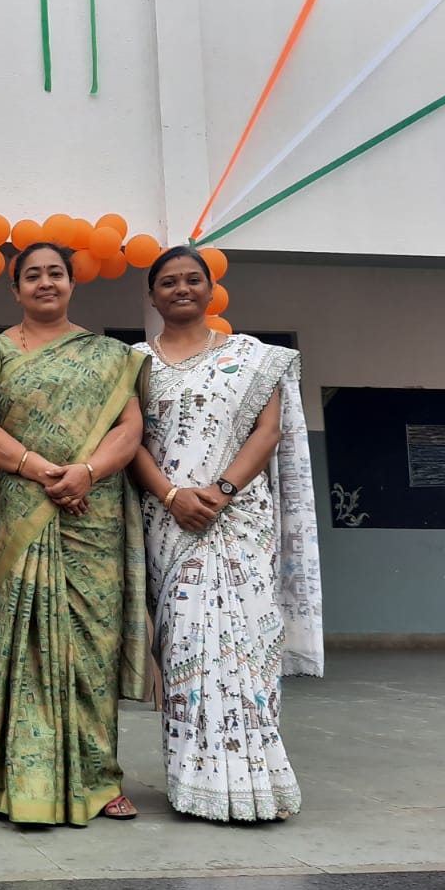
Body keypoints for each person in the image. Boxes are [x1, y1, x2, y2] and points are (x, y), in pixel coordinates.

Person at [128, 246, 323, 823]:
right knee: (184, 645)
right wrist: (173, 496)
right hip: (170, 523)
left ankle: (259, 780)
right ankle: (196, 785)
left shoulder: (253, 357)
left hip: (238, 520)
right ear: (152, 295)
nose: (181, 289)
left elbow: (267, 431)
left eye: (193, 279)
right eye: (168, 282)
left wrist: (222, 491)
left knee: (250, 645)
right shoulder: (133, 363)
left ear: (211, 289)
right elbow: (128, 440)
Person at [0, 242, 148, 826]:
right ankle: (20, 781)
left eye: (56, 273)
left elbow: (130, 428)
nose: (45, 283)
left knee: (93, 645)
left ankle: (100, 778)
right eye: (33, 276)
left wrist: (87, 471)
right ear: (15, 288)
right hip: (21, 507)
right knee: (22, 643)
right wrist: (43, 471)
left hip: (93, 512)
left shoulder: (110, 354)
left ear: (72, 283)